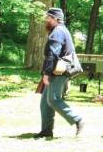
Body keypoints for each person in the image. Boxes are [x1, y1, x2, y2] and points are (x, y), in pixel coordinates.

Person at [35, 8, 85, 138]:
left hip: (58, 72)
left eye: (48, 18)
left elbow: (52, 55)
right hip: (57, 70)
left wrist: (46, 73)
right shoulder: (61, 30)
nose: (46, 20)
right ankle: (46, 130)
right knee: (45, 103)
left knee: (53, 99)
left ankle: (78, 120)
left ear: (55, 19)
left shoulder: (57, 32)